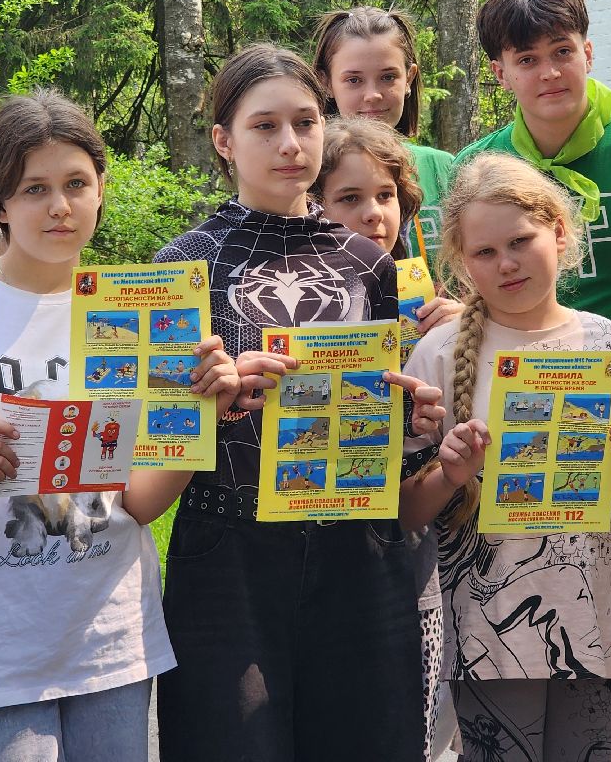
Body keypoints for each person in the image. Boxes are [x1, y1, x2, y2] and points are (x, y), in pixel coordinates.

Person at [0, 90, 237, 762]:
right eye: (33, 188)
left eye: (76, 183)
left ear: (102, 189)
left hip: (110, 639)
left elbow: (138, 502)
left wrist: (200, 418)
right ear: (1, 205)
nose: (59, 205)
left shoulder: (138, 316)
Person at [153, 44, 442, 762]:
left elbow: (376, 413)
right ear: (223, 140)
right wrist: (212, 401)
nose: (290, 144)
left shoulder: (370, 262)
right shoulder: (181, 263)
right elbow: (153, 432)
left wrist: (415, 420)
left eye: (306, 122)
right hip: (229, 550)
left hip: (356, 545)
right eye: (264, 126)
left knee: (366, 742)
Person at [455, 0, 611, 757]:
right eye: (527, 58)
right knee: (530, 653)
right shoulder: (482, 167)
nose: (550, 72)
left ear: (588, 52)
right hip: (528, 453)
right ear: (501, 72)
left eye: (563, 51)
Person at [399, 153, 611, 762]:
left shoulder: (608, 342)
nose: (505, 264)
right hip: (486, 628)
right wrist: (451, 473)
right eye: (484, 253)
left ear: (558, 230)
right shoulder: (440, 354)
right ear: (461, 261)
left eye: (520, 241)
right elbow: (404, 513)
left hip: (592, 622)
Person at [312, 116, 463, 760]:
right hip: (324, 526)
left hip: (423, 531)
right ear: (313, 202)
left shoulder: (430, 294)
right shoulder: (304, 297)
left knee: (419, 705)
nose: (373, 213)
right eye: (349, 198)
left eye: (385, 196)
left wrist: (464, 323)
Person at [312, 6, 453, 270]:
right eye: (354, 80)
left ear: (409, 78)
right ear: (326, 83)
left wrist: (464, 307)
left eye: (387, 77)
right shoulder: (310, 171)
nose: (373, 95)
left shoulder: (445, 170)